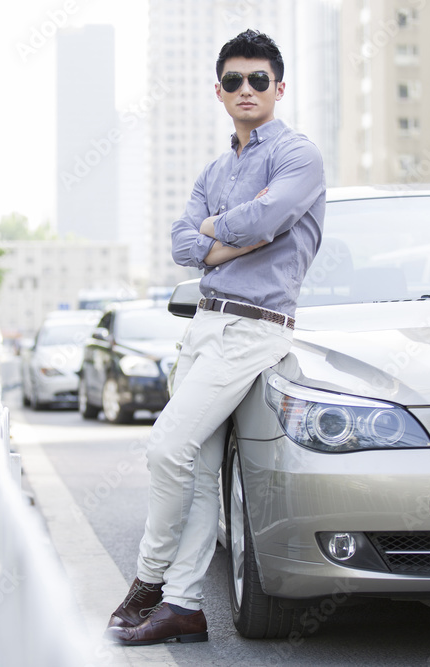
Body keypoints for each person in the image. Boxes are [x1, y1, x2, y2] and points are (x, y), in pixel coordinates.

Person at [105, 29, 325, 646]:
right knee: (198, 469)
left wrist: (221, 234)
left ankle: (147, 579)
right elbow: (182, 243)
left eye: (259, 80)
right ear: (220, 92)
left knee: (165, 446)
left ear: (279, 87)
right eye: (234, 81)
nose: (246, 89)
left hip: (254, 327)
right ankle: (183, 607)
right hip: (205, 322)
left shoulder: (299, 156)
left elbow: (269, 217)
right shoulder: (215, 167)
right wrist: (232, 239)